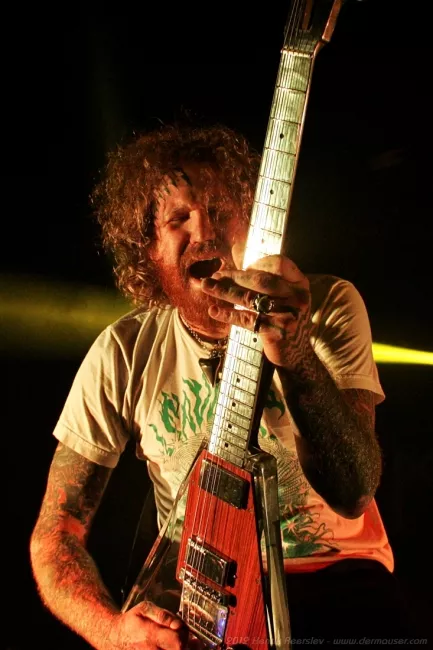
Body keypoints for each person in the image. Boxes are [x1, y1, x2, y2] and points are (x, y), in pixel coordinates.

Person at [30, 124, 414, 649]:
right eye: (178, 219)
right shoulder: (123, 351)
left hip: (336, 585)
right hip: (207, 608)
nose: (205, 231)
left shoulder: (327, 307)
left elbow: (355, 492)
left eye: (219, 209)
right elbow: (55, 533)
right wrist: (112, 632)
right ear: (149, 250)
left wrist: (295, 353)